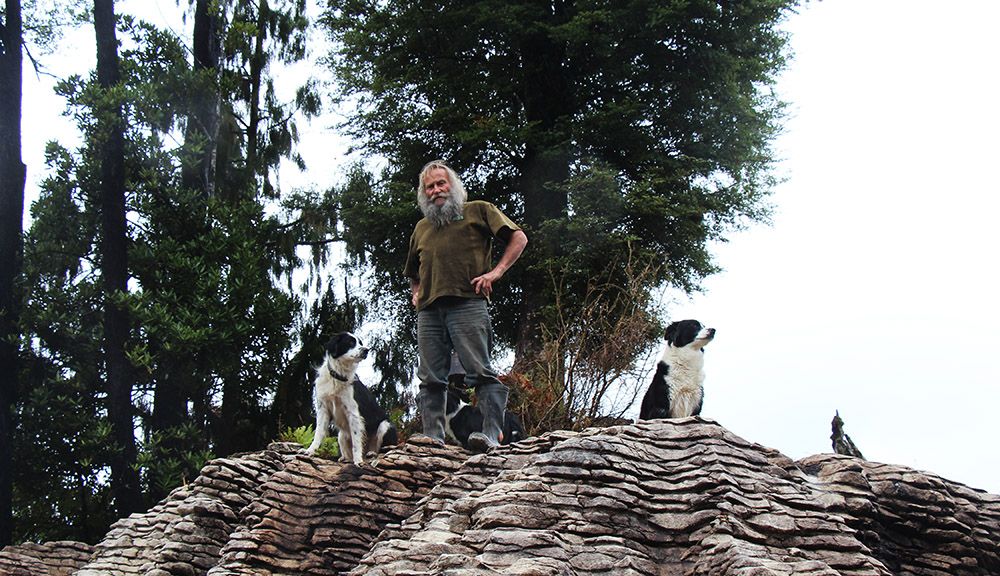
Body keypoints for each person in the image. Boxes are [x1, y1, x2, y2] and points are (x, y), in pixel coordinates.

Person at [404, 160, 528, 452]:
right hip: (430, 311)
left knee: (480, 371)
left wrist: (495, 273)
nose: (436, 190)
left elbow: (518, 238)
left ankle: (490, 434)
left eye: (440, 183)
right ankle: (432, 439)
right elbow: (412, 271)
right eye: (430, 186)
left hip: (468, 303)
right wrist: (417, 291)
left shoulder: (478, 210)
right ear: (424, 193)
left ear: (452, 185)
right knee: (431, 378)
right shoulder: (422, 228)